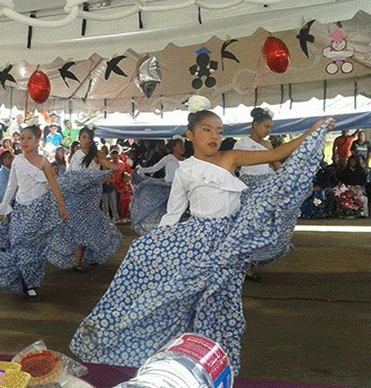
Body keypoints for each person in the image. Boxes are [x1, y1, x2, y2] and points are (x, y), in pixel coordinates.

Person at [70, 95, 335, 375]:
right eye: (207, 129)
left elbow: (277, 155)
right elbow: (173, 214)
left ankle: (216, 366)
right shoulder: (185, 171)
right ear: (190, 134)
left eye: (219, 130)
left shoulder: (230, 158)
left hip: (229, 243)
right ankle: (176, 362)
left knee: (222, 308)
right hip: (196, 244)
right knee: (175, 299)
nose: (215, 135)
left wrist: (313, 131)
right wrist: (155, 245)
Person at [0, 126, 68, 301]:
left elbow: (53, 184)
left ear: (38, 140)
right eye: (22, 138)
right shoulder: (17, 161)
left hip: (40, 211)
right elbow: (11, 187)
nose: (24, 141)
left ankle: (32, 284)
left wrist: (62, 206)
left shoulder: (44, 162)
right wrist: (2, 208)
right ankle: (25, 279)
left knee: (36, 250)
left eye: (29, 138)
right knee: (18, 244)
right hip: (20, 210)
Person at [66, 127, 122, 272]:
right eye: (83, 137)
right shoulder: (75, 155)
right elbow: (69, 175)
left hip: (91, 196)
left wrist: (116, 167)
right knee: (80, 228)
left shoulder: (96, 155)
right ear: (79, 138)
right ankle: (78, 260)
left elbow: (107, 164)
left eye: (88, 137)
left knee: (89, 226)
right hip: (77, 195)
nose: (86, 140)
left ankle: (86, 258)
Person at [232, 107, 279, 281]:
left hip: (266, 189)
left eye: (270, 128)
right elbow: (232, 168)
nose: (269, 131)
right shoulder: (242, 144)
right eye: (267, 127)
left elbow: (276, 165)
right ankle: (245, 267)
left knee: (265, 227)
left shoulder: (268, 145)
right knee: (248, 229)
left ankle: (252, 263)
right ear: (255, 125)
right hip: (248, 190)